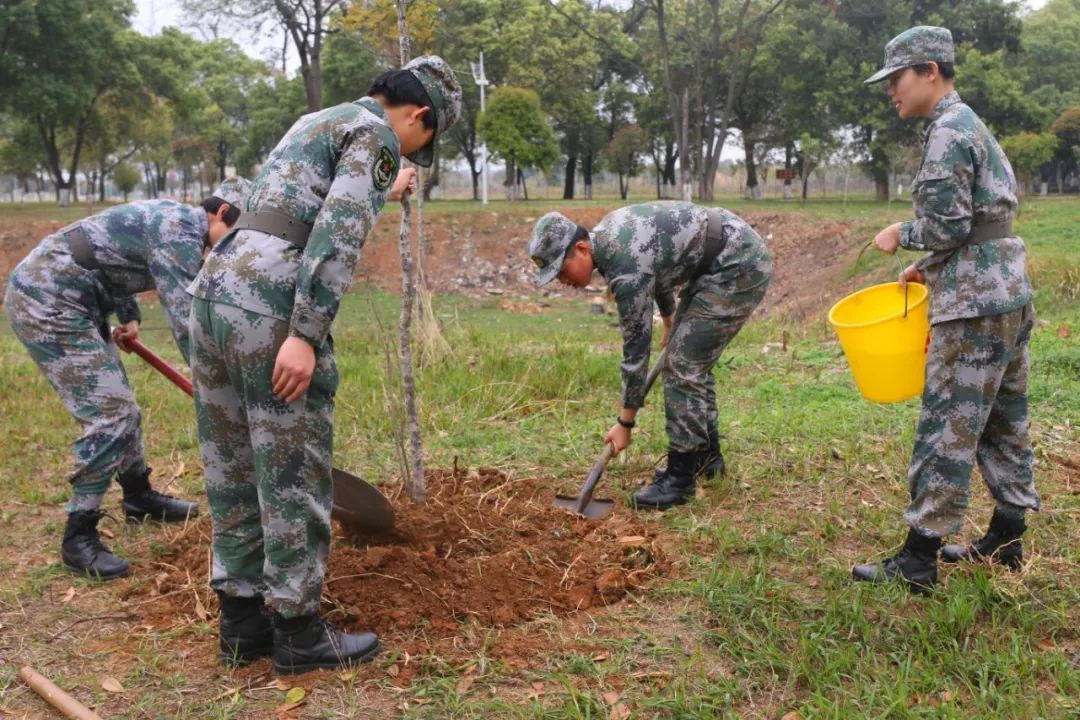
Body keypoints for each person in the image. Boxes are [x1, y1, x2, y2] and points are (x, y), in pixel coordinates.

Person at [187, 57, 461, 674]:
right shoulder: (381, 138)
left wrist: (382, 190)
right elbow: (335, 232)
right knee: (291, 466)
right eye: (427, 139)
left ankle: (241, 624)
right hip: (270, 310)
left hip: (213, 295)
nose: (417, 151)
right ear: (419, 116)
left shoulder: (321, 120)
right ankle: (298, 634)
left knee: (230, 463)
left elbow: (297, 202)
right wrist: (305, 335)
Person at [852, 26, 1039, 592]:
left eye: (897, 79)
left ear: (930, 70)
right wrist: (928, 269)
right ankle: (1007, 536)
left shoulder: (946, 134)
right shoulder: (973, 124)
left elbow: (948, 225)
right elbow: (985, 221)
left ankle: (918, 558)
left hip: (974, 309)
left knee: (946, 427)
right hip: (1007, 293)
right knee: (1004, 419)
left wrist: (900, 234)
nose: (891, 92)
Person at [4, 178, 251, 580]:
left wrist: (129, 315)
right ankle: (78, 535)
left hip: (78, 298)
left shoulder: (174, 220)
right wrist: (220, 391)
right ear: (221, 212)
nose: (229, 249)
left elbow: (108, 254)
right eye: (234, 237)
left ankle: (138, 497)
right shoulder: (180, 233)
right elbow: (189, 323)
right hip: (46, 300)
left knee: (123, 410)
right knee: (111, 415)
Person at [528, 202, 772, 510]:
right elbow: (658, 265)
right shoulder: (609, 239)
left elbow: (636, 352)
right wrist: (670, 320)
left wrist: (624, 423)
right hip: (715, 258)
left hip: (737, 264)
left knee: (684, 367)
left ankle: (681, 479)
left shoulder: (624, 266)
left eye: (561, 271)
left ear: (581, 248)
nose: (563, 281)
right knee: (688, 361)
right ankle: (707, 461)